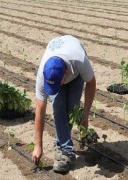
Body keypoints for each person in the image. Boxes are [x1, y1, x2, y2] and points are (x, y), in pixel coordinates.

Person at [32, 35, 96, 172]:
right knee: (59, 107)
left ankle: (59, 142)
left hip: (75, 71)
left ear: (66, 73)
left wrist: (85, 114)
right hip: (58, 60)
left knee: (72, 108)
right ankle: (67, 151)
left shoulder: (79, 60)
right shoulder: (43, 74)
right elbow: (40, 112)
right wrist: (38, 145)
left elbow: (91, 83)